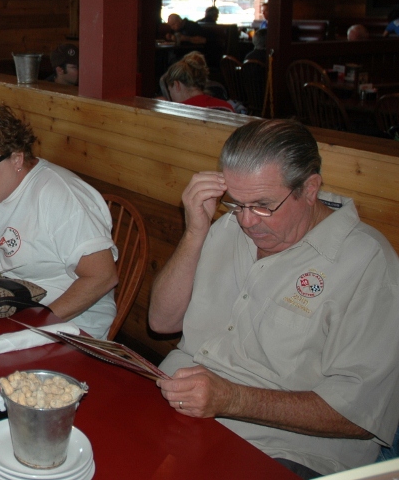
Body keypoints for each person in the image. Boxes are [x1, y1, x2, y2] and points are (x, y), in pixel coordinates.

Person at [148, 120, 399, 478]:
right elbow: (161, 322)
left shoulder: (367, 262)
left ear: (310, 188)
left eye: (263, 205)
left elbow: (358, 414)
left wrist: (232, 399)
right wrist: (194, 233)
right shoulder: (227, 225)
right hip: (179, 412)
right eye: (236, 203)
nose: (247, 221)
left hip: (283, 449)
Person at [0, 104, 119, 338]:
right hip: (1, 310)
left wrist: (35, 325)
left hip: (65, 323)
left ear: (16, 159)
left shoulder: (59, 194)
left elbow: (102, 277)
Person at [164, 55, 235, 112]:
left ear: (177, 85)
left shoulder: (174, 113)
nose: (171, 98)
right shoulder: (227, 108)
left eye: (170, 91)